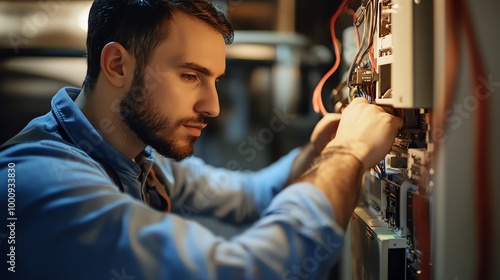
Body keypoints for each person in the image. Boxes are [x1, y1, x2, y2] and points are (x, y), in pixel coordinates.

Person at [0, 0, 402, 279]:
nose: (213, 106)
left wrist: (317, 151)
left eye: (215, 80)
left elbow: (250, 195)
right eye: (191, 76)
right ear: (117, 65)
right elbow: (249, 271)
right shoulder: (41, 183)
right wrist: (347, 154)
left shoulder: (135, 158)